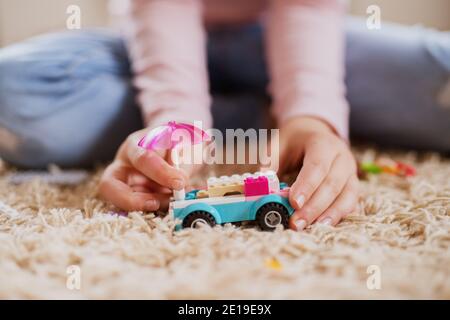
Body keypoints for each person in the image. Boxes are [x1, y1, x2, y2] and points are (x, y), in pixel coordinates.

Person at [0, 0, 449, 231]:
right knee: (13, 90)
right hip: (153, 44)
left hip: (298, 35)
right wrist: (177, 126)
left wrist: (314, 115)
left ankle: (278, 116)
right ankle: (254, 114)